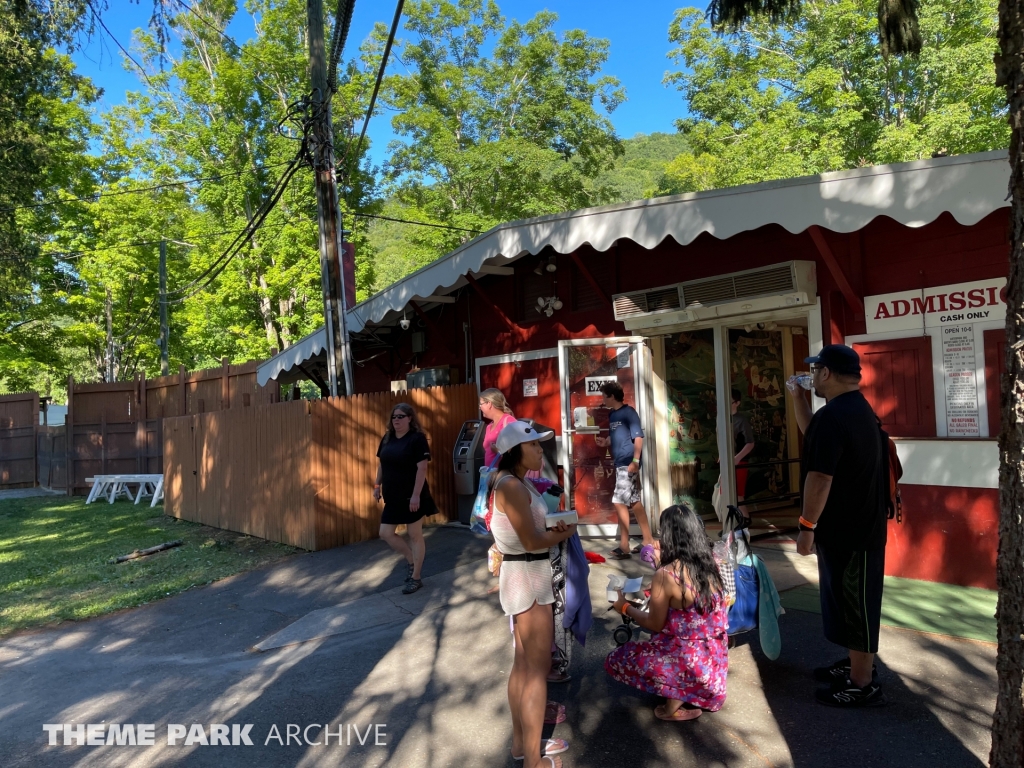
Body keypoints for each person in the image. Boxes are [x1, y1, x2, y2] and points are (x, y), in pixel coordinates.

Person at [785, 344, 888, 707]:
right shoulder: (855, 409)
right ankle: (854, 663)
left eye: (814, 371)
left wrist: (806, 525)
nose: (811, 376)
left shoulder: (836, 416)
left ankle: (862, 683)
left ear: (826, 374)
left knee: (857, 606)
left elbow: (820, 477)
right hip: (858, 526)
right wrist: (799, 398)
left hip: (853, 531)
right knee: (847, 603)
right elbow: (816, 437)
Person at [490, 420, 577, 768]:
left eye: (541, 446)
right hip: (528, 575)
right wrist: (564, 532)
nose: (541, 451)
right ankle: (533, 760)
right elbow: (531, 540)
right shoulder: (512, 485)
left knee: (524, 665)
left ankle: (521, 747)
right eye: (535, 446)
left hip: (524, 573)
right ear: (515, 450)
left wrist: (552, 527)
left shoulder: (514, 482)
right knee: (537, 670)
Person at [605, 504, 728, 720]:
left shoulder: (666, 574)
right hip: (713, 668)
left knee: (617, 659)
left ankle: (675, 698)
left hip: (688, 662)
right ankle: (687, 689)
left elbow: (654, 623)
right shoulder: (711, 564)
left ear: (669, 536)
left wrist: (624, 606)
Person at [373, 403, 436, 595]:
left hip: (412, 495)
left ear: (410, 418)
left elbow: (422, 468)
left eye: (401, 416)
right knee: (385, 533)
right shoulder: (387, 438)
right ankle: (410, 558)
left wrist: (416, 495)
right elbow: (382, 464)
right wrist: (377, 485)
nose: (396, 420)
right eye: (394, 417)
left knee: (414, 534)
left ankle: (415, 577)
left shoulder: (417, 439)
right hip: (392, 495)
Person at [594, 381, 655, 562]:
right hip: (620, 462)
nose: (603, 399)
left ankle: (624, 545)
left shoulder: (629, 413)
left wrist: (635, 461)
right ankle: (648, 540)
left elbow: (638, 438)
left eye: (604, 396)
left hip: (628, 463)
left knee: (619, 501)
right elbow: (618, 435)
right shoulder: (612, 414)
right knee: (634, 501)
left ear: (612, 396)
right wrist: (606, 442)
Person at [479, 388, 517, 467]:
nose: (479, 407)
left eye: (481, 404)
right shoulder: (489, 426)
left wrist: (498, 451)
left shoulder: (508, 422)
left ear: (489, 404)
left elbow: (516, 452)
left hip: (503, 476)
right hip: (490, 475)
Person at [731, 388, 755, 516]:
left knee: (738, 495)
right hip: (728, 460)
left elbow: (750, 443)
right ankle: (732, 523)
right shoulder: (722, 418)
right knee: (726, 493)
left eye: (730, 402)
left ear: (737, 403)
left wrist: (738, 457)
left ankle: (744, 521)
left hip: (740, 461)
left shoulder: (741, 420)